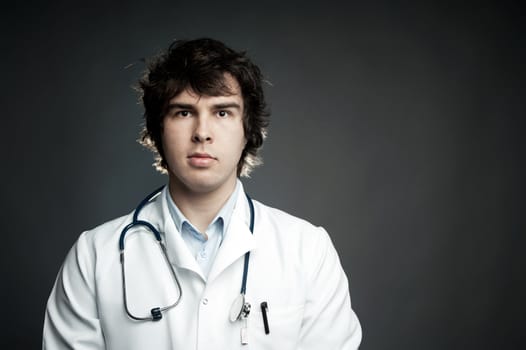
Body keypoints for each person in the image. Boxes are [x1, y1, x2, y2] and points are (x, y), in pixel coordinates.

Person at [43, 38, 362, 349]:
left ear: (247, 130)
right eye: (183, 112)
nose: (202, 133)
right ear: (158, 130)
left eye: (222, 112)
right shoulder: (94, 256)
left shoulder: (307, 251)